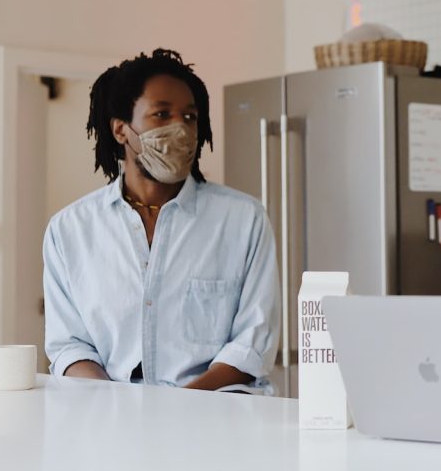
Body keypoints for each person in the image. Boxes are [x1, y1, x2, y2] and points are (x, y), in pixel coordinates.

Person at [43, 49, 280, 391]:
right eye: (161, 114)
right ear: (122, 130)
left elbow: (252, 345)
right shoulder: (70, 230)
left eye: (189, 117)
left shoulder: (244, 221)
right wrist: (115, 407)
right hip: (110, 426)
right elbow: (69, 345)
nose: (180, 129)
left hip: (217, 425)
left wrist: (172, 411)